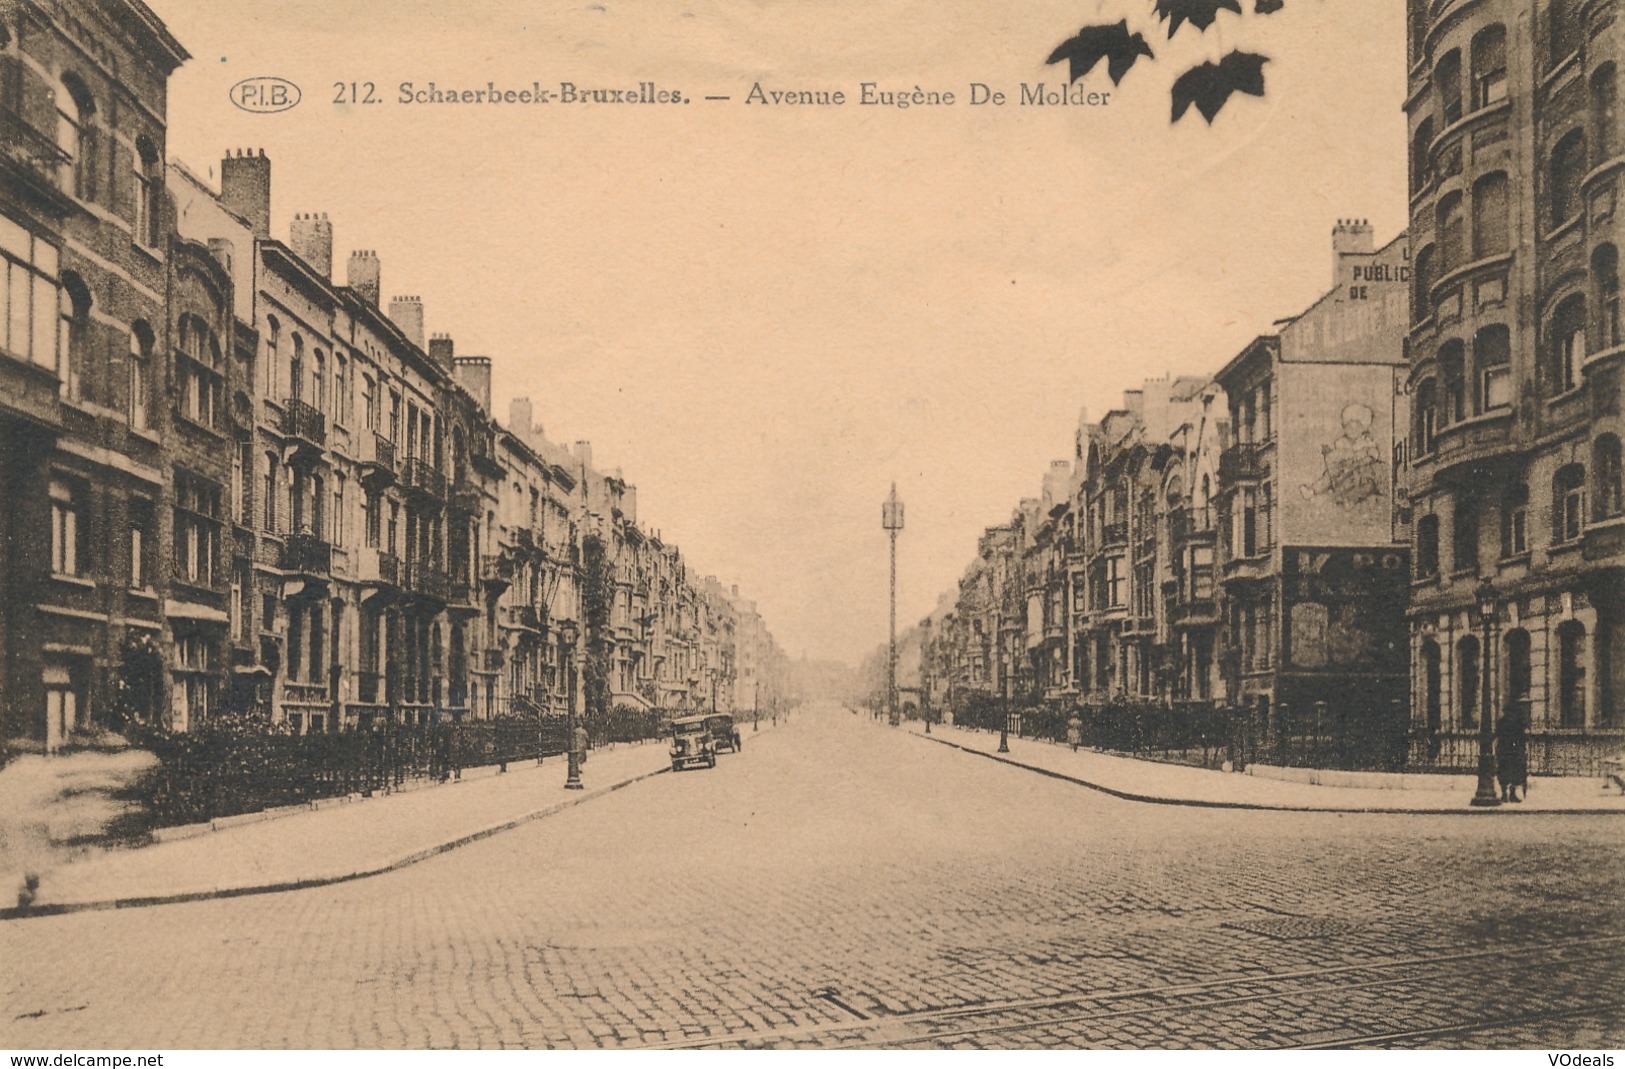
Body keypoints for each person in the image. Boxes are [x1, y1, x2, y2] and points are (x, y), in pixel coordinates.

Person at [1496, 707, 1528, 803]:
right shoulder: (1517, 723)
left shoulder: (1501, 722)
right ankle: (1511, 794)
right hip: (1514, 750)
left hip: (1503, 750)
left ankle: (1504, 794)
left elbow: (1498, 735)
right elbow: (1521, 737)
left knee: (1503, 772)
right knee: (1514, 772)